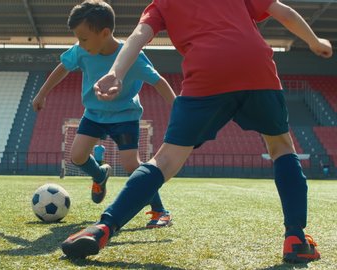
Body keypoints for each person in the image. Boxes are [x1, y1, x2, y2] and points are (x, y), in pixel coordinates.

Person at [61, 0, 333, 263]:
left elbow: (138, 35)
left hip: (207, 70)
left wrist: (116, 73)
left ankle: (104, 228)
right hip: (255, 65)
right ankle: (295, 238)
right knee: (281, 147)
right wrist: (314, 41)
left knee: (165, 161)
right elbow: (282, 12)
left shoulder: (163, 3)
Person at [32, 0, 176, 228]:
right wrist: (42, 94)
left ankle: (160, 211)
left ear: (105, 32)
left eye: (84, 38)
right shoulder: (81, 51)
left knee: (132, 165)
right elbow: (62, 68)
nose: (80, 44)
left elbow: (159, 82)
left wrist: (177, 108)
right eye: (78, 38)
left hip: (125, 116)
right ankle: (99, 175)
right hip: (94, 114)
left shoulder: (130, 57)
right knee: (77, 156)